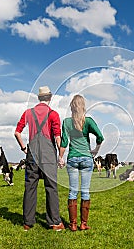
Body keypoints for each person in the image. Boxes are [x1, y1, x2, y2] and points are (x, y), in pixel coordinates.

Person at [14, 86, 65, 231]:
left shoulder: (28, 113)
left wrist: (24, 148)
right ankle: (55, 222)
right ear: (49, 98)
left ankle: (27, 223)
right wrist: (61, 157)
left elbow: (17, 132)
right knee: (51, 187)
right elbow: (57, 136)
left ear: (39, 98)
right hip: (48, 155)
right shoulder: (53, 114)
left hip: (32, 154)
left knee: (30, 187)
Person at [58, 95, 104, 231]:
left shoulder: (66, 122)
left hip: (72, 158)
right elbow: (100, 137)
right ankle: (83, 224)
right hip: (86, 158)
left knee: (72, 191)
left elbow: (64, 142)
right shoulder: (88, 121)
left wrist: (60, 157)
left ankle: (72, 224)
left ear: (72, 107)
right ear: (83, 106)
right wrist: (95, 150)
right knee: (85, 191)